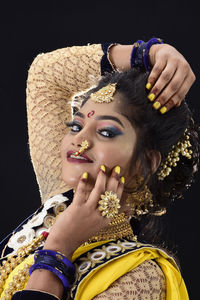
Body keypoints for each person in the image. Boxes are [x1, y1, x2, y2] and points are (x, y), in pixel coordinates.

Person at [0, 40, 198, 300]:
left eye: (106, 132)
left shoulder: (142, 276)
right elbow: (44, 76)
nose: (79, 141)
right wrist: (146, 53)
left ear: (145, 163)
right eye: (75, 126)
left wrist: (58, 248)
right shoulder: (60, 202)